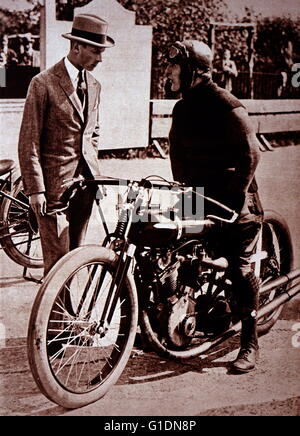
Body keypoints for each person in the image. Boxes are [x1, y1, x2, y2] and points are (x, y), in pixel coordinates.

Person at [166, 40, 264, 373]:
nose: (168, 72)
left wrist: (236, 200)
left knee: (239, 268)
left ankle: (250, 342)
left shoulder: (227, 104)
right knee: (176, 251)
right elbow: (175, 153)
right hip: (197, 195)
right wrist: (182, 193)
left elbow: (252, 155)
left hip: (234, 199)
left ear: (194, 71)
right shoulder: (182, 108)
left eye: (174, 66)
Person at [18, 14, 115, 276]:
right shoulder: (43, 84)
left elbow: (93, 132)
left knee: (75, 259)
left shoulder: (95, 86)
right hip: (52, 190)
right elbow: (29, 142)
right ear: (76, 47)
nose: (100, 58)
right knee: (57, 263)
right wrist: (36, 190)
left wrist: (93, 169)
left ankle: (69, 314)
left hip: (85, 186)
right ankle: (54, 317)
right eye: (96, 51)